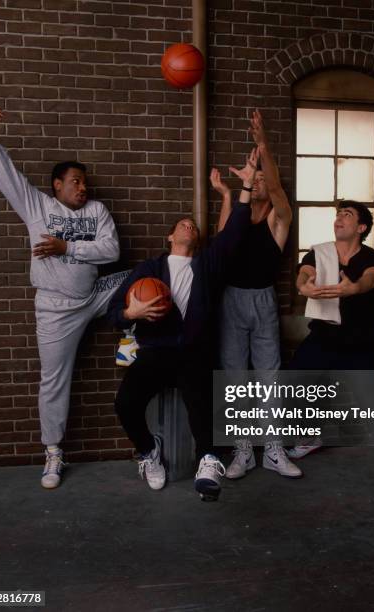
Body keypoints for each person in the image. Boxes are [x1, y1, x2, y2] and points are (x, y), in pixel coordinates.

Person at [0, 103, 130, 489]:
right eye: (75, 181)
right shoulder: (37, 207)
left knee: (146, 276)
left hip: (94, 294)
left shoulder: (98, 211)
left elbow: (112, 251)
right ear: (57, 185)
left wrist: (67, 248)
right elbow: (6, 174)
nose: (83, 187)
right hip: (56, 309)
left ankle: (132, 335)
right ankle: (53, 452)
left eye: (84, 182)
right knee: (54, 379)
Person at [107, 149, 257, 501]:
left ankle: (209, 460)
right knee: (125, 404)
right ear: (170, 237)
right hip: (157, 350)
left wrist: (245, 186)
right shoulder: (149, 269)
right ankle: (148, 451)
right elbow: (114, 310)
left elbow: (235, 231)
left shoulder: (206, 265)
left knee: (201, 402)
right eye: (183, 224)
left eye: (194, 225)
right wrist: (133, 314)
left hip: (193, 351)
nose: (190, 225)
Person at [290, 200, 374, 498]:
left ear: (361, 228)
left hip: (359, 342)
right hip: (323, 337)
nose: (339, 218)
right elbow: (304, 273)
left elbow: (371, 279)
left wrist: (353, 288)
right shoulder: (319, 252)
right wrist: (304, 286)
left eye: (347, 215)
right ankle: (312, 434)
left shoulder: (372, 258)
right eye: (337, 214)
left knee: (372, 402)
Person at [211, 109, 301, 480]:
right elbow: (221, 245)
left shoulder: (278, 220)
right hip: (232, 299)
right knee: (235, 376)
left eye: (263, 177)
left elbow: (278, 190)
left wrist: (263, 146)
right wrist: (228, 195)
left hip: (263, 300)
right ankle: (244, 450)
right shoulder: (239, 215)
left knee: (269, 375)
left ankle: (274, 449)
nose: (260, 181)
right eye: (256, 177)